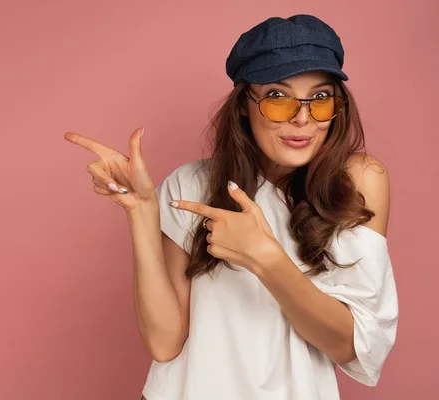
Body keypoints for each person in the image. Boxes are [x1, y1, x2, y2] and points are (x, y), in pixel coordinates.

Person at [64, 14, 398, 400]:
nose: (303, 117)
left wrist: (265, 258)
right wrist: (140, 211)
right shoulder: (190, 184)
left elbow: (350, 345)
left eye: (321, 98)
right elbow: (164, 344)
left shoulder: (356, 181)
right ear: (244, 105)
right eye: (277, 97)